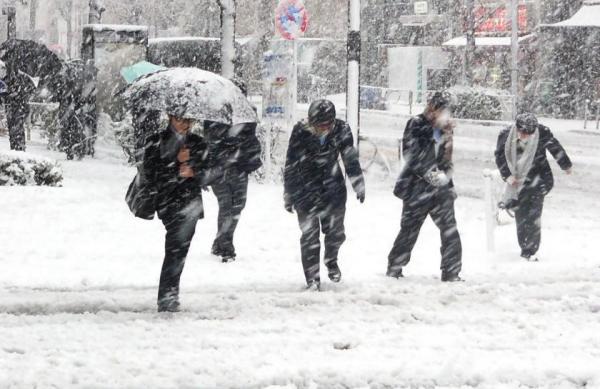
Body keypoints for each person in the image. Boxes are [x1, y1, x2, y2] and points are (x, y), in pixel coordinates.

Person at [284, 99, 365, 290]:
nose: (321, 129)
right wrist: (288, 193)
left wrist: (358, 184)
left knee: (336, 233)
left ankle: (331, 259)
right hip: (305, 189)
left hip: (333, 188)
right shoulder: (300, 130)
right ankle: (312, 278)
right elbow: (291, 163)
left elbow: (350, 158)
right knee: (309, 236)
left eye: (325, 125)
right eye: (317, 125)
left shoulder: (342, 130)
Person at [387, 92, 463, 282]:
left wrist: (448, 181)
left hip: (441, 190)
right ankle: (395, 267)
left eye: (449, 112)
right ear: (433, 109)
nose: (447, 116)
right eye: (444, 111)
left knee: (450, 230)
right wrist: (430, 174)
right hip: (416, 188)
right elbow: (411, 154)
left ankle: (451, 271)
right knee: (409, 230)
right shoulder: (416, 124)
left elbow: (446, 160)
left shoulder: (446, 130)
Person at [142, 104, 209, 312]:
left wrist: (194, 170)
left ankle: (169, 294)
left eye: (189, 120)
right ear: (170, 118)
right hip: (168, 202)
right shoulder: (156, 141)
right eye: (181, 119)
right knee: (175, 249)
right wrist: (174, 164)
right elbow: (151, 174)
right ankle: (168, 296)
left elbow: (210, 172)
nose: (185, 124)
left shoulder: (198, 143)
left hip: (190, 203)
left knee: (179, 251)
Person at [494, 113, 572, 262]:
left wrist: (566, 165)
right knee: (522, 216)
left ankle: (531, 250)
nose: (525, 136)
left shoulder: (541, 132)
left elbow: (555, 147)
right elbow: (500, 156)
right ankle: (525, 247)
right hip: (517, 182)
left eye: (528, 133)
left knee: (534, 216)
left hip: (538, 179)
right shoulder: (505, 135)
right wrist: (508, 175)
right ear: (517, 128)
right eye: (522, 133)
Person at [204, 119, 262, 262]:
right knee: (226, 206)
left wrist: (247, 155)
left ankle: (220, 243)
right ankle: (226, 247)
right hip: (219, 170)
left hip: (239, 169)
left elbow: (252, 142)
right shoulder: (214, 115)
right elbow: (209, 144)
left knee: (237, 206)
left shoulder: (246, 116)